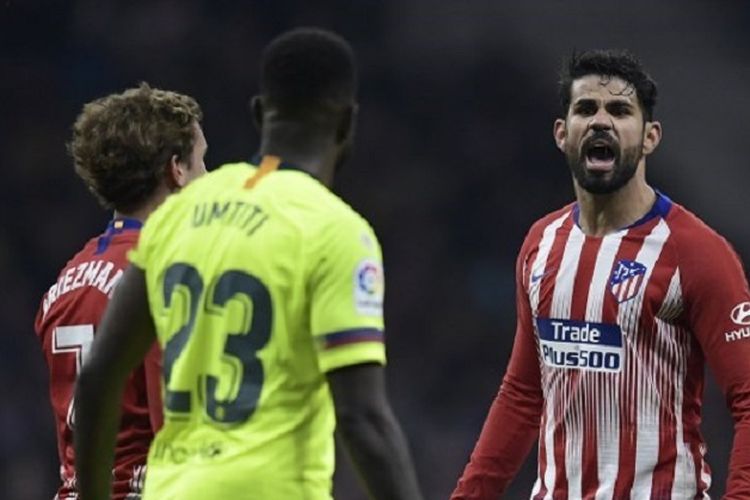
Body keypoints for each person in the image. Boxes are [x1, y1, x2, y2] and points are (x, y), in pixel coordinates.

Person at [73, 28, 423, 500]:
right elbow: (362, 419)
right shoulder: (334, 229)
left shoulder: (179, 214)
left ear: (259, 113)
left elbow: (97, 377)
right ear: (346, 123)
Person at [452, 49, 750, 499]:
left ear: (650, 137)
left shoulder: (697, 252)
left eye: (620, 110)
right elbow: (523, 393)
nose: (600, 121)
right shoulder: (541, 243)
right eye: (585, 109)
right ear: (561, 133)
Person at [34, 83, 207, 500]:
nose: (210, 177)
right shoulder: (165, 274)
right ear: (176, 170)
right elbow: (180, 434)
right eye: (203, 161)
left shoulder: (64, 283)